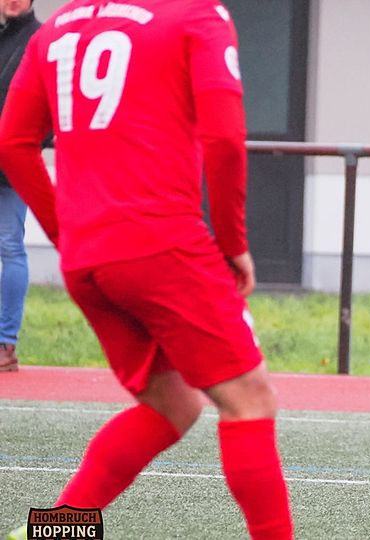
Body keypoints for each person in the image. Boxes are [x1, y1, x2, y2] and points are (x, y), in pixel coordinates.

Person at [0, 1, 293, 538]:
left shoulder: (57, 28)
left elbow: (13, 143)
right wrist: (232, 243)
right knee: (250, 399)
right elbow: (224, 139)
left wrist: (68, 234)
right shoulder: (196, 14)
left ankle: (54, 530)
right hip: (161, 245)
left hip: (89, 258)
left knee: (171, 404)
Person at [0, 0, 40, 373]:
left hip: (10, 168)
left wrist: (26, 146)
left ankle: (4, 342)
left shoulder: (40, 39)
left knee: (10, 247)